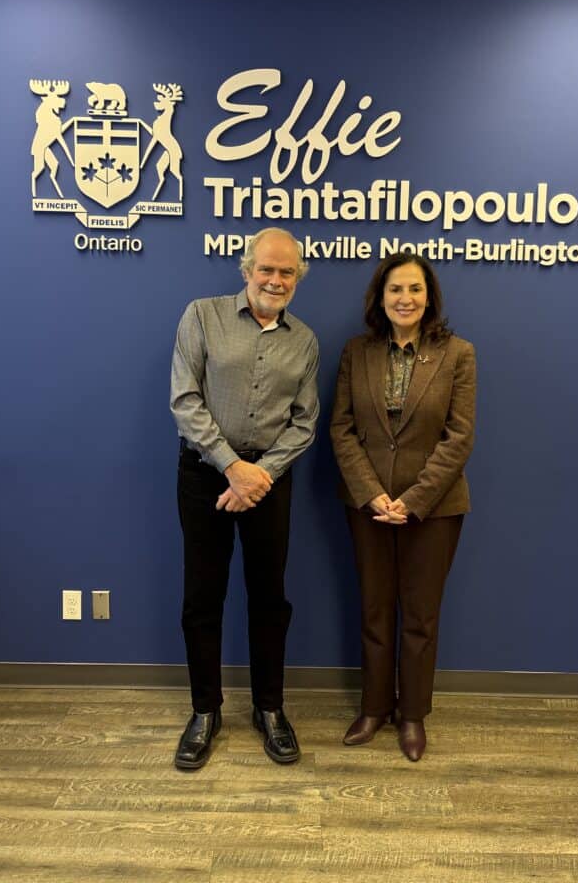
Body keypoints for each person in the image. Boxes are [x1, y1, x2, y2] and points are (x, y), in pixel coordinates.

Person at [170, 228, 319, 770]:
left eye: (287, 272)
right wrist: (232, 468)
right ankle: (204, 711)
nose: (275, 280)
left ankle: (269, 708)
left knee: (270, 598)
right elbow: (185, 400)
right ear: (247, 269)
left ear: (297, 278)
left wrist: (259, 475)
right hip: (205, 475)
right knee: (202, 597)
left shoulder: (305, 341)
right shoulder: (202, 315)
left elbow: (304, 422)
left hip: (268, 483)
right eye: (267, 269)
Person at [330, 254, 475, 761]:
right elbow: (342, 429)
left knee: (420, 616)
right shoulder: (357, 352)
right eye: (395, 289)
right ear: (381, 296)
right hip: (367, 505)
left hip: (435, 509)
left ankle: (412, 714)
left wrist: (413, 501)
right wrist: (372, 493)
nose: (405, 298)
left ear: (429, 297)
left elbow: (459, 437)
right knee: (374, 610)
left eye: (415, 289)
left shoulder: (458, 354)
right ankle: (374, 707)